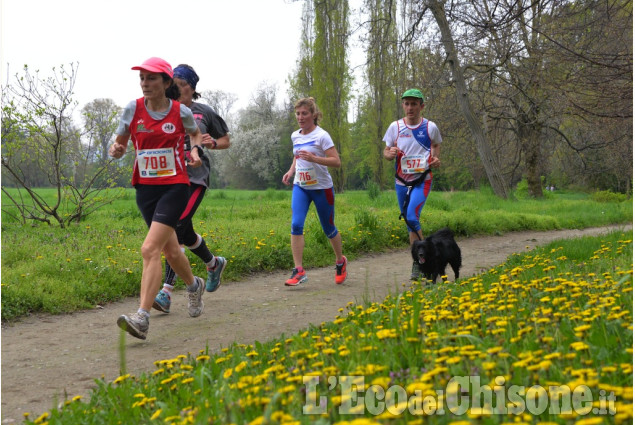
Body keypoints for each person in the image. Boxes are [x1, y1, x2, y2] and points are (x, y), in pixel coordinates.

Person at [109, 57, 206, 340]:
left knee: (149, 249)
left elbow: (196, 134)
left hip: (174, 187)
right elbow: (120, 143)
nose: (144, 83)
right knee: (170, 251)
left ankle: (142, 317)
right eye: (142, 78)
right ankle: (194, 285)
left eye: (151, 78)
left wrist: (195, 151)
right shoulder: (133, 109)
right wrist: (115, 149)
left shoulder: (180, 111)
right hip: (146, 190)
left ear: (166, 83)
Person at [152, 64, 231, 314]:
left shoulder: (203, 112)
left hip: (195, 178)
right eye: (172, 84)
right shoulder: (165, 111)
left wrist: (212, 142)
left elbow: (226, 140)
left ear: (192, 88)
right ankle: (213, 263)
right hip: (170, 177)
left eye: (181, 85)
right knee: (185, 233)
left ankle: (166, 292)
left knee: (173, 228)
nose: (175, 89)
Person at [281, 97, 347, 286]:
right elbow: (297, 156)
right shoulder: (295, 135)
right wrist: (291, 170)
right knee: (296, 224)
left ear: (314, 115)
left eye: (304, 114)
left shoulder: (322, 136)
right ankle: (299, 270)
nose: (300, 117)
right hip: (301, 186)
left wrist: (314, 158)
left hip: (321, 188)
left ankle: (340, 261)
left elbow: (336, 161)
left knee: (328, 228)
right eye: (298, 114)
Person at [382, 88, 442, 280]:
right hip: (401, 182)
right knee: (410, 223)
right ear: (403, 105)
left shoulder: (430, 127)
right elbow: (386, 151)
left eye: (414, 104)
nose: (410, 108)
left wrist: (435, 158)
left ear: (421, 106)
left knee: (411, 216)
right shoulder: (395, 127)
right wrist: (389, 154)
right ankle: (421, 262)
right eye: (406, 104)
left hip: (422, 180)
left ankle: (422, 262)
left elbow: (436, 144)